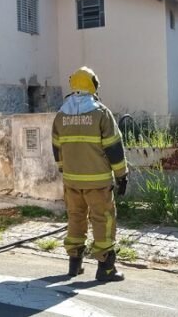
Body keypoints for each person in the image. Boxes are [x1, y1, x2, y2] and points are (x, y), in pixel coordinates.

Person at [52, 66, 128, 282]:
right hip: (98, 181)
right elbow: (114, 147)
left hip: (71, 181)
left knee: (75, 218)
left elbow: (57, 147)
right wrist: (122, 175)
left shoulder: (61, 115)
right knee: (103, 219)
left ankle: (74, 265)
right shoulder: (101, 113)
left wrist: (64, 169)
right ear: (93, 84)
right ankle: (106, 269)